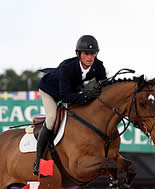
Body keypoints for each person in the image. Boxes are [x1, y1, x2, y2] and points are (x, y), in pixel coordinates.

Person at [33, 35, 107, 176]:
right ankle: (38, 161)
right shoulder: (67, 67)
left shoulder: (98, 66)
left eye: (93, 53)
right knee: (51, 118)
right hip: (50, 91)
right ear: (78, 54)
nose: (90, 57)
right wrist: (86, 96)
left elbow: (104, 86)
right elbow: (65, 96)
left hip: (70, 91)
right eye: (86, 53)